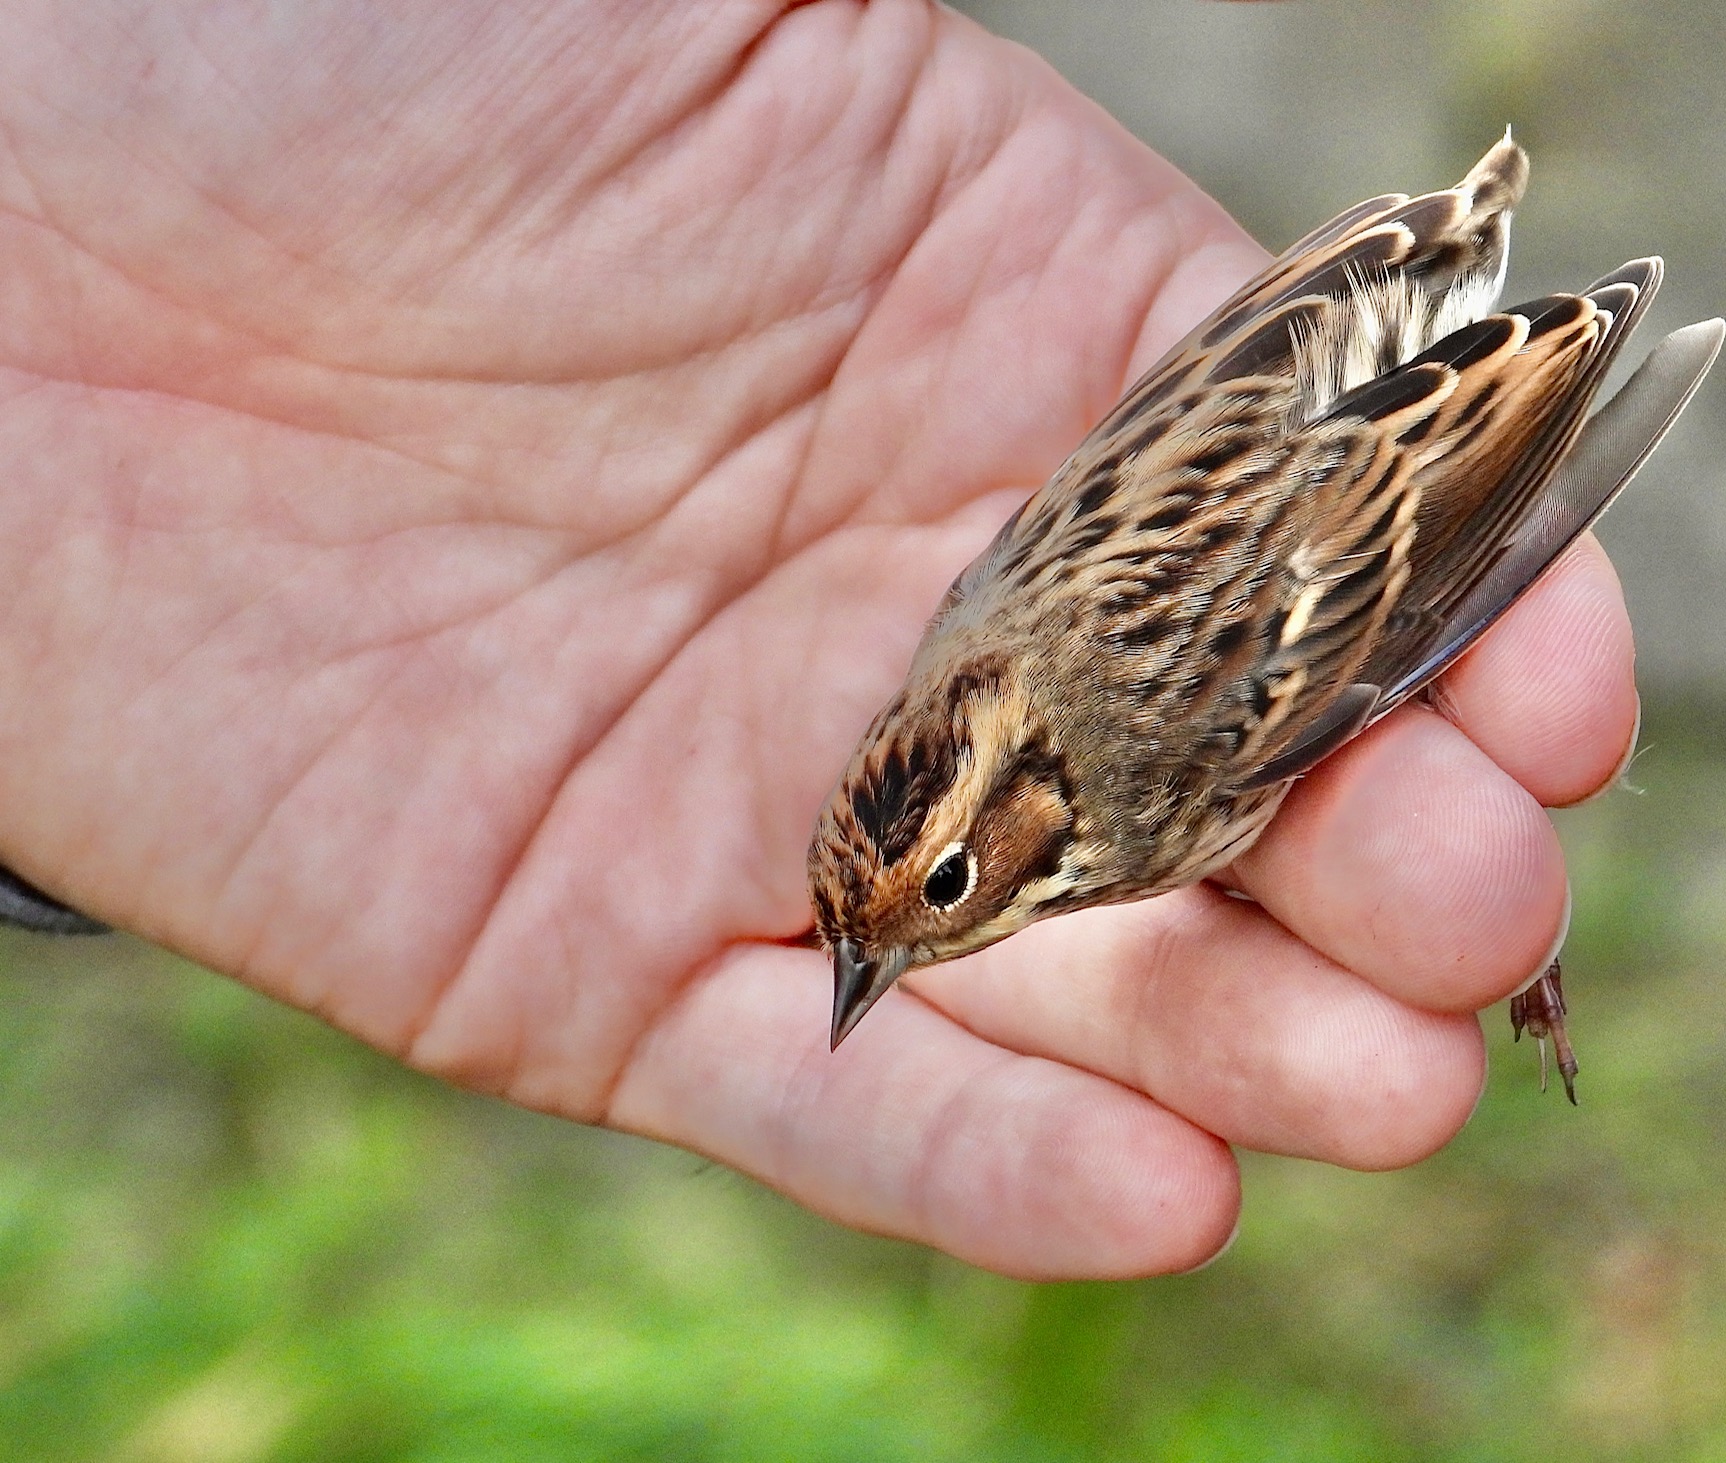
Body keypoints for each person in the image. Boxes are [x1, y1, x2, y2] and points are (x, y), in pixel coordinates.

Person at [0, 0, 1639, 1279]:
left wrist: (1566, 353)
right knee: (1436, 854)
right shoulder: (1000, 641)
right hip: (1333, 333)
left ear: (1006, 809)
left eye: (938, 899)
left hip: (1405, 410)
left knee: (1446, 769)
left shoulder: (1154, 745)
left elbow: (1410, 563)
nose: (902, 954)